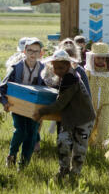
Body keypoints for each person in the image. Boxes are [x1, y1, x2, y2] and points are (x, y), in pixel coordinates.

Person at [36, 48, 95, 183]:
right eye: (55, 68)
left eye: (61, 68)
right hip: (70, 117)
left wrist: (41, 112)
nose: (58, 71)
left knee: (79, 148)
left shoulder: (71, 78)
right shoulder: (64, 77)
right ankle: (63, 170)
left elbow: (60, 103)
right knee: (63, 141)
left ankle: (75, 174)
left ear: (68, 65)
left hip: (83, 118)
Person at [0, 38, 45, 169]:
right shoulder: (16, 67)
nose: (32, 54)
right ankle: (12, 155)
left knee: (32, 133)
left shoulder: (43, 69)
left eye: (36, 51)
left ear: (40, 53)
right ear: (24, 51)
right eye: (30, 50)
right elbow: (3, 86)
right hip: (17, 105)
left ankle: (24, 164)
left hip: (34, 107)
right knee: (21, 131)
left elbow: (47, 87)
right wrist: (4, 102)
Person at [85, 41, 109, 147]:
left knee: (103, 125)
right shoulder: (89, 72)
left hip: (107, 103)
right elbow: (83, 88)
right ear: (93, 58)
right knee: (91, 125)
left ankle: (100, 145)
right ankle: (89, 144)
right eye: (98, 58)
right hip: (91, 104)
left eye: (103, 58)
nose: (101, 60)